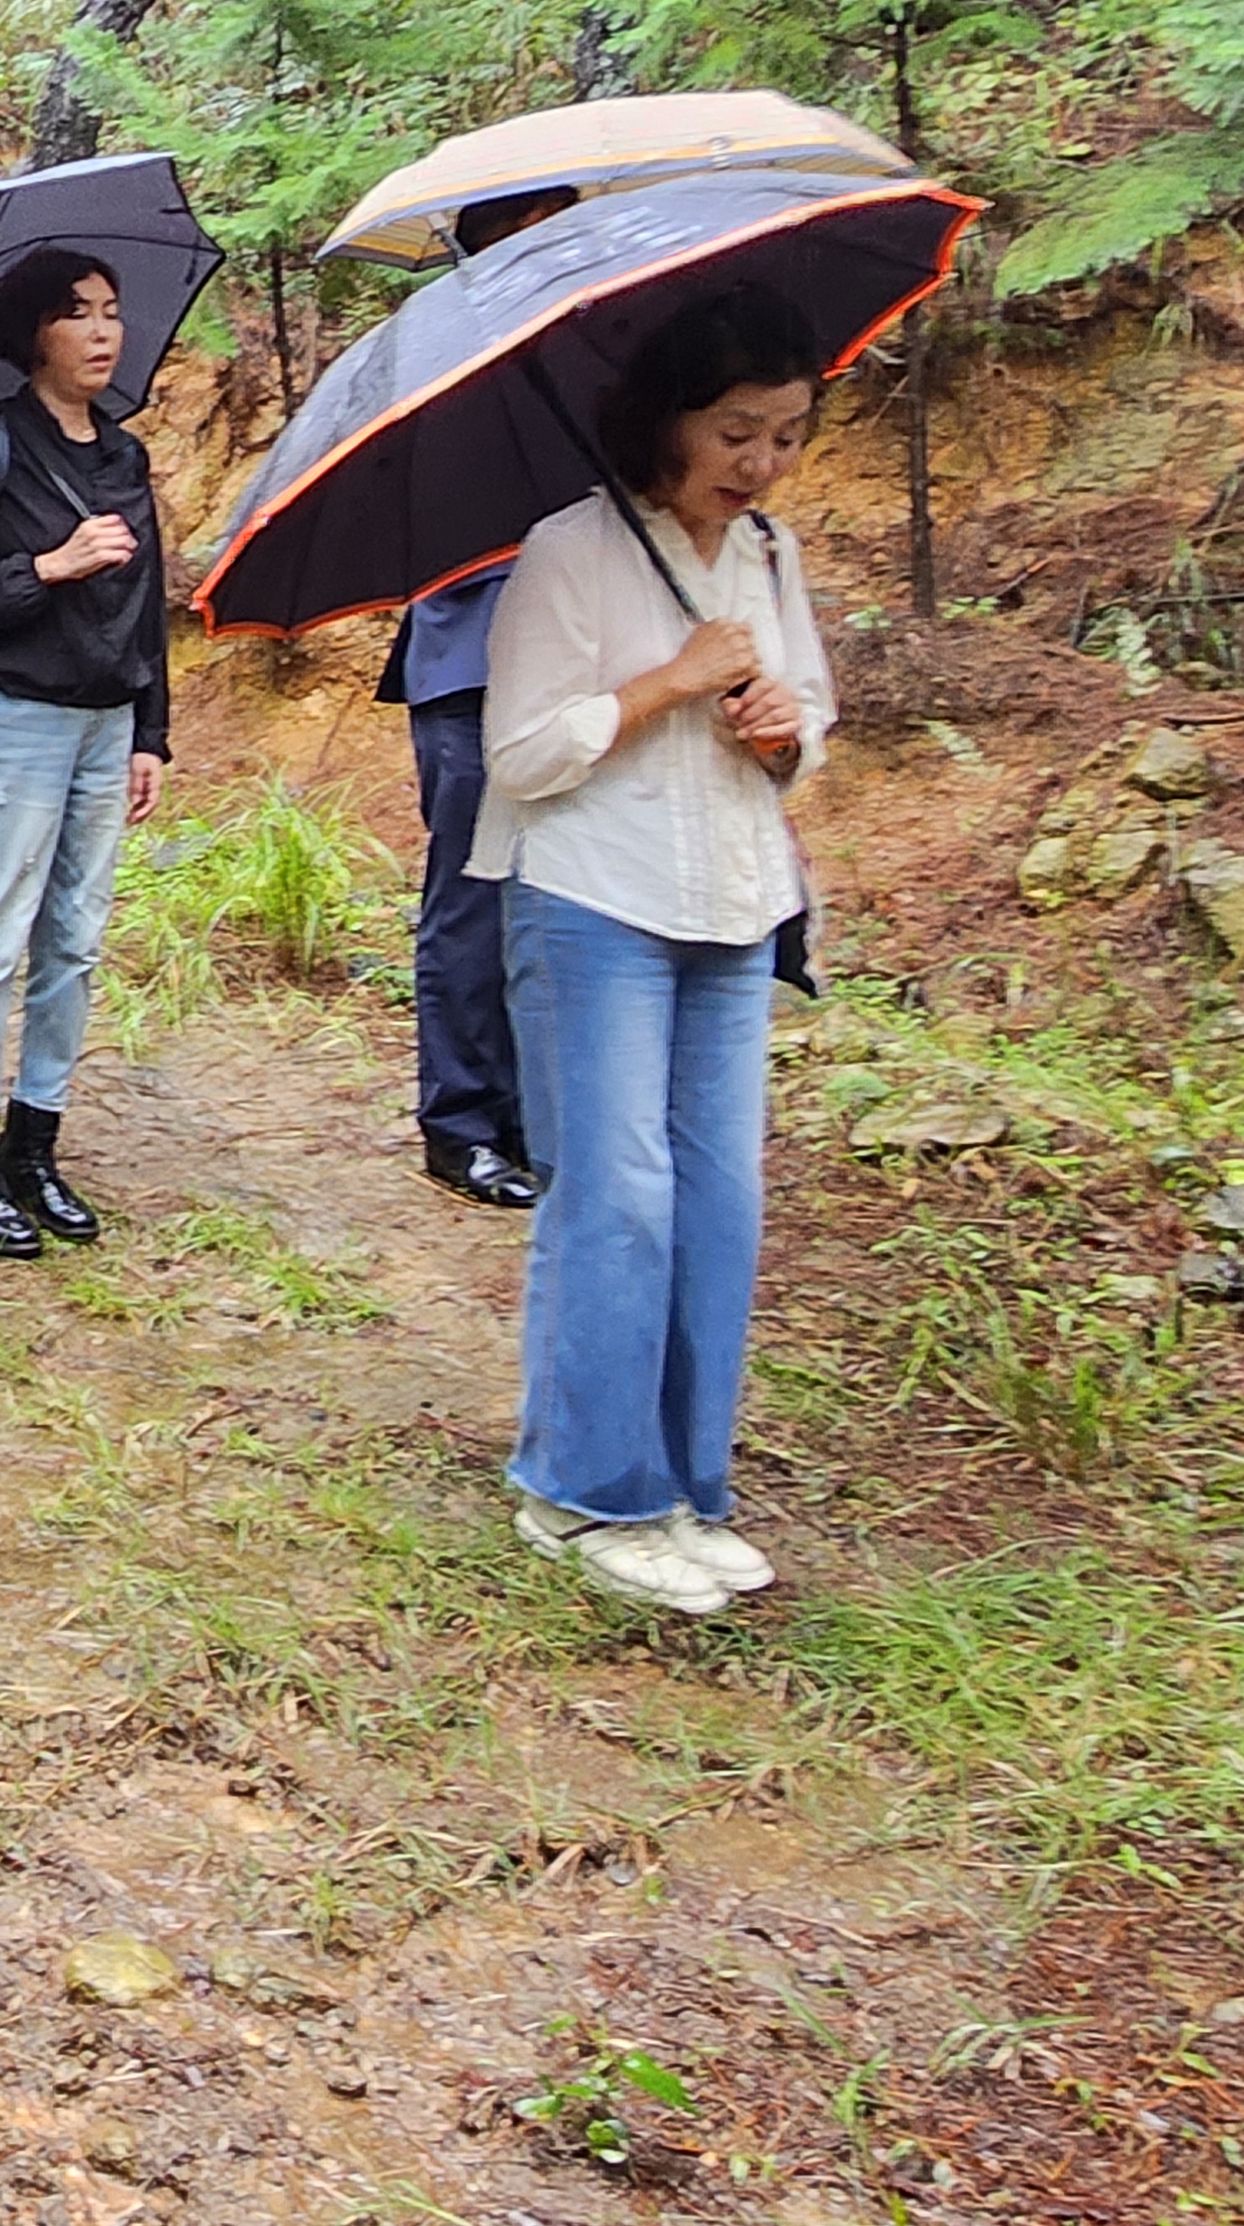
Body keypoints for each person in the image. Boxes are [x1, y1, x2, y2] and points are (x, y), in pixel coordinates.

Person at [471, 281, 833, 1619]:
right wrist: (666, 686)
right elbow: (516, 753)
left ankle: (687, 1487)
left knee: (718, 1202)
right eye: (736, 431)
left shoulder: (771, 558)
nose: (762, 462)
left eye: (788, 433)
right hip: (596, 901)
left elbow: (806, 739)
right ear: (667, 422)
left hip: (736, 906)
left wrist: (781, 728)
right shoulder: (573, 552)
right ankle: (579, 1491)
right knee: (616, 1194)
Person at [0, 251, 168, 1258]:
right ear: (32, 335)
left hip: (106, 717)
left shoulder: (123, 457)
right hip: (9, 714)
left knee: (75, 941)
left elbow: (145, 603)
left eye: (110, 313)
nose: (103, 332)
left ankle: (36, 1146)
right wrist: (49, 567)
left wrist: (151, 730)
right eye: (77, 315)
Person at [377, 184, 578, 1211]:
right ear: (487, 244)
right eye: (536, 230)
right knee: (471, 901)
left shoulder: (588, 362)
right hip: (470, 666)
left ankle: (537, 1116)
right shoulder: (435, 360)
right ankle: (460, 1125)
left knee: (563, 905)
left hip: (582, 675)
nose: (556, 248)